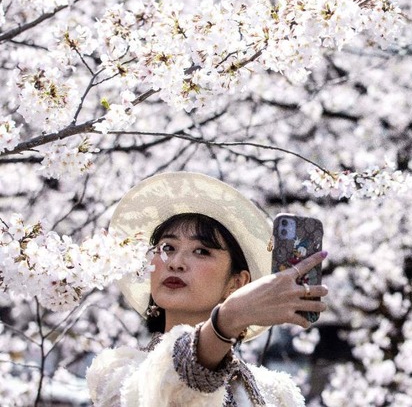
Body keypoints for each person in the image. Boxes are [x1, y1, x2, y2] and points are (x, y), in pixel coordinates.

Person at [86, 171, 328, 406]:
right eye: (167, 247)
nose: (176, 262)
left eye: (201, 251)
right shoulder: (118, 373)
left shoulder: (275, 394)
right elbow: (167, 386)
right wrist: (227, 320)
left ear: (237, 282)